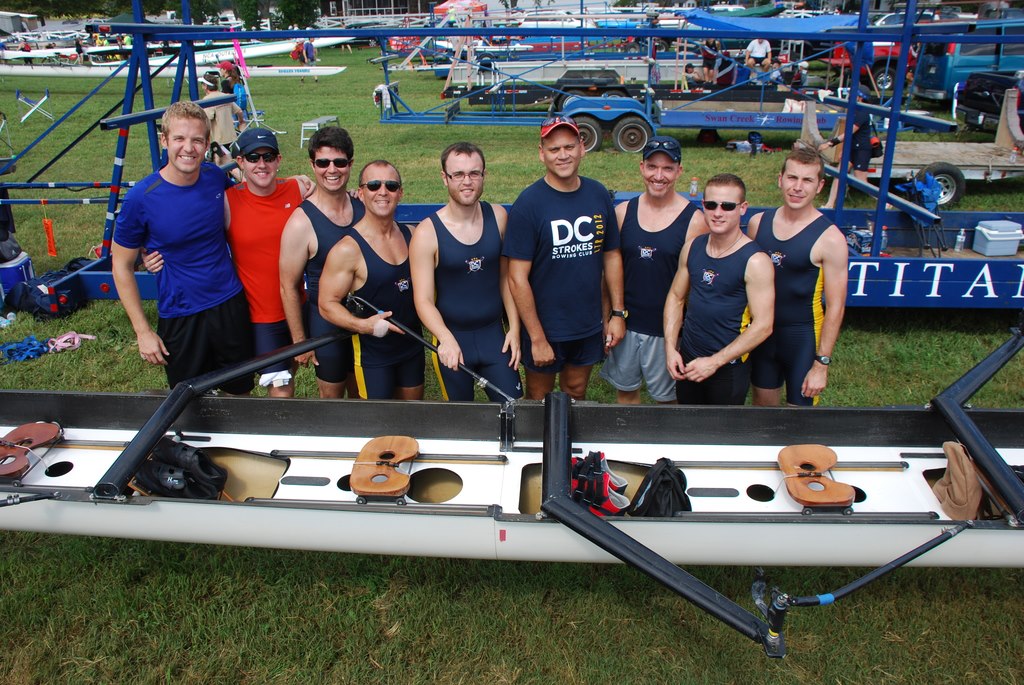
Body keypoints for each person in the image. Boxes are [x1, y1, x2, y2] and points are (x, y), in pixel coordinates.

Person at [111, 101, 254, 394]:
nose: (188, 148)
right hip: (181, 313)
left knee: (239, 395)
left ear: (206, 144)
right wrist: (143, 332)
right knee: (190, 402)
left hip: (229, 304)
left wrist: (295, 183)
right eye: (179, 138)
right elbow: (120, 265)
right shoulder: (141, 198)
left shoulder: (215, 177)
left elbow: (251, 200)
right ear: (164, 140)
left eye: (196, 140)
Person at [502, 115, 625, 401]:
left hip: (586, 323)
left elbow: (612, 256)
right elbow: (516, 278)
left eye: (569, 146)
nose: (563, 155)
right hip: (546, 326)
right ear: (541, 153)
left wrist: (616, 313)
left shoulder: (598, 194)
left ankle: (569, 445)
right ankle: (540, 447)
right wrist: (537, 338)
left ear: (582, 147)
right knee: (538, 396)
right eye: (554, 149)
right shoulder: (528, 204)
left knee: (576, 390)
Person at [409, 142, 523, 402]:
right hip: (453, 339)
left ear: (484, 175)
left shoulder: (499, 216)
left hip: (495, 337)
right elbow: (423, 299)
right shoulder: (427, 233)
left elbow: (506, 279)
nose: (467, 181)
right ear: (444, 178)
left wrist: (514, 329)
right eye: (458, 174)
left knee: (514, 410)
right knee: (460, 422)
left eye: (474, 173)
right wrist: (444, 338)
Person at [599, 136, 708, 405]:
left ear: (679, 171)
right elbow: (609, 273)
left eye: (667, 168)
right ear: (641, 167)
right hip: (626, 324)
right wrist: (607, 317)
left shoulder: (695, 221)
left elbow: (696, 289)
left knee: (668, 401)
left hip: (668, 331)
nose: (659, 176)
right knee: (626, 393)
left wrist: (685, 335)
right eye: (652, 167)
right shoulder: (623, 212)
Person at [747, 148, 849, 407]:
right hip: (762, 336)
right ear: (780, 179)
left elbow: (836, 306)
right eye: (792, 178)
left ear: (820, 186)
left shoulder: (831, 238)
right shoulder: (757, 224)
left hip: (802, 338)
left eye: (807, 180)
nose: (798, 187)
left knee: (798, 422)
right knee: (763, 413)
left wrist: (821, 364)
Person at [663, 174, 774, 405]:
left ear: (743, 208)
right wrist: (671, 348)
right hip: (689, 361)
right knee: (687, 427)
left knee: (721, 436)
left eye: (728, 206)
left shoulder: (755, 261)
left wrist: (714, 362)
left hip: (728, 369)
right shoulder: (693, 247)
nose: (718, 212)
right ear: (703, 205)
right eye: (711, 204)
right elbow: (675, 296)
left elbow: (763, 325)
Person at [318, 161, 425, 400]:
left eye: (391, 185)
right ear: (361, 192)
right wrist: (365, 326)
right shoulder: (348, 250)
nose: (383, 192)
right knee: (379, 428)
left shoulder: (413, 235)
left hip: (413, 349)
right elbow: (327, 304)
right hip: (374, 357)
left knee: (413, 419)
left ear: (400, 192)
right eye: (374, 185)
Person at [279, 126, 365, 399]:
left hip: (365, 316)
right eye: (323, 162)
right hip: (325, 322)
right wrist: (300, 341)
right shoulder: (300, 222)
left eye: (340, 162)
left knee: (366, 396)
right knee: (332, 401)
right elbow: (288, 286)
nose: (332, 170)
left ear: (350, 164)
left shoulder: (363, 207)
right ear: (312, 165)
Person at [819, 92, 872, 208]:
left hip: (861, 150)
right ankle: (829, 204)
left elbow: (849, 133)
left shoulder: (862, 113)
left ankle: (885, 201)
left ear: (860, 98)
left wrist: (830, 143)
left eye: (853, 96)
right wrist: (843, 151)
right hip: (852, 148)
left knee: (861, 180)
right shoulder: (854, 112)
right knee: (838, 174)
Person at [200, 72, 245, 167]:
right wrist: (241, 122)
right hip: (231, 136)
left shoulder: (207, 100)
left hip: (218, 140)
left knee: (222, 163)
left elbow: (207, 119)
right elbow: (239, 111)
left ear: (205, 86)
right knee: (228, 161)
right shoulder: (225, 96)